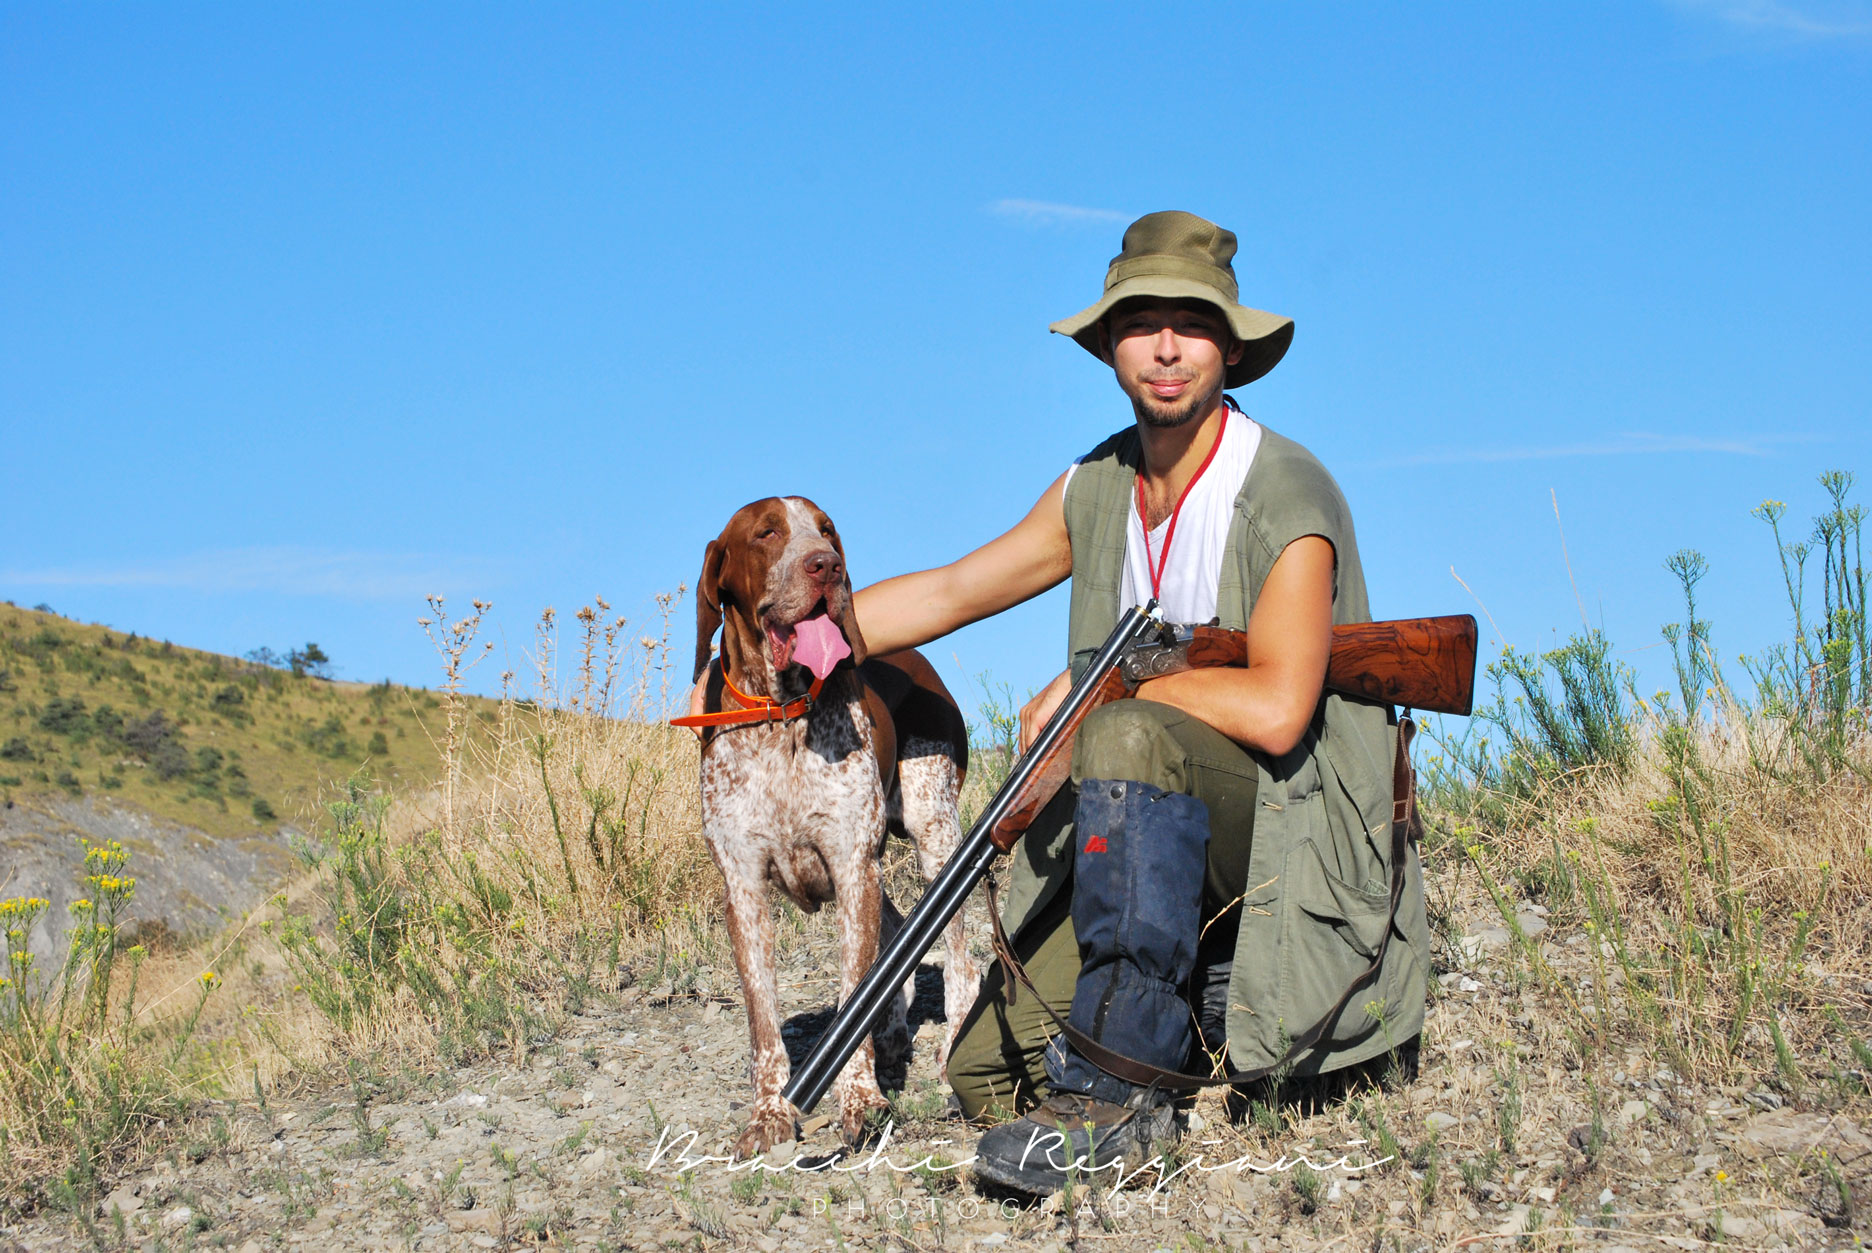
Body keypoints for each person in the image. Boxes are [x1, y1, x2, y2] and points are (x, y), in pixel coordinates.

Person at [715, 210, 1430, 1193]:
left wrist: (1121, 676)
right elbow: (957, 589)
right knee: (985, 1073)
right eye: (1143, 322)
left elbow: (1275, 707)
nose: (1168, 347)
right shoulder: (1099, 485)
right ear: (1109, 347)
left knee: (1128, 727)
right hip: (1146, 830)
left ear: (1229, 343)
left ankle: (1120, 1100)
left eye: (1193, 321)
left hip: (1285, 826)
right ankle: (1197, 995)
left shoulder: (1284, 491)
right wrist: (796, 632)